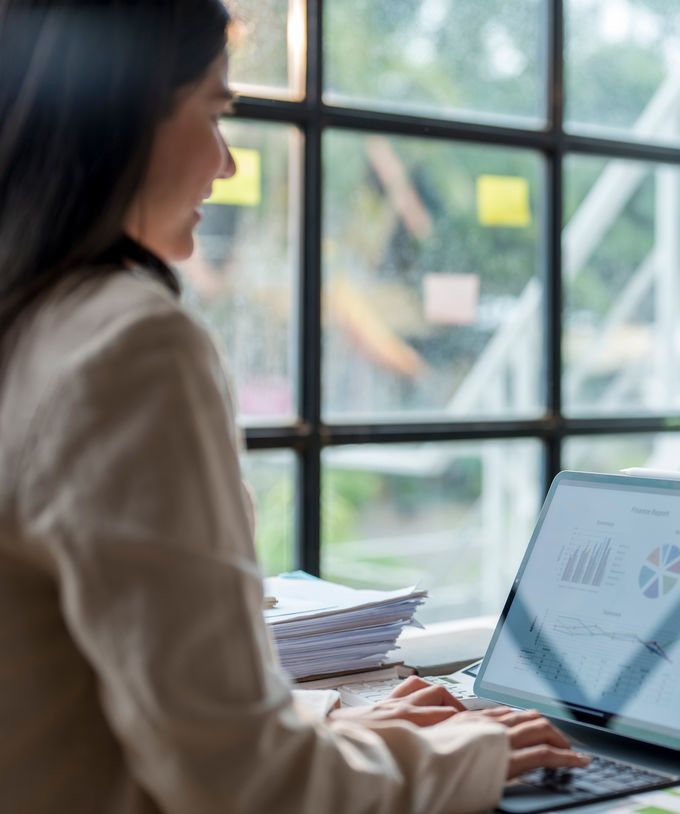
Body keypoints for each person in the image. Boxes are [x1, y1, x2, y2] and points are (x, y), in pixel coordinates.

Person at [0, 2, 587, 812]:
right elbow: (238, 784)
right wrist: (470, 755)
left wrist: (359, 736)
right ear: (122, 115)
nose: (227, 164)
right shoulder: (126, 343)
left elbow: (99, 717)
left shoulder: (29, 321)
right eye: (213, 112)